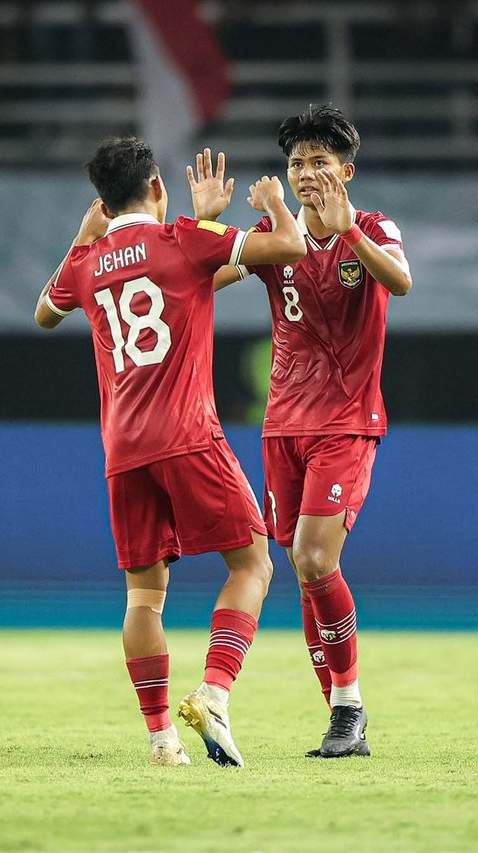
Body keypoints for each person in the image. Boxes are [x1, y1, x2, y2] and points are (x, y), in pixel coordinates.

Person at [34, 138, 306, 768]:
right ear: (157, 187)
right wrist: (269, 204)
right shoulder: (183, 238)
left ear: (102, 202)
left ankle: (161, 739)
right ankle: (214, 692)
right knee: (253, 565)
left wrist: (82, 236)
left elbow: (46, 312)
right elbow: (286, 248)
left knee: (143, 596)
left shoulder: (89, 263)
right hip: (187, 435)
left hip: (122, 449)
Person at [212, 105, 412, 758]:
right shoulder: (278, 236)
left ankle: (349, 703)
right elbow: (206, 278)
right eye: (297, 162)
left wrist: (351, 231)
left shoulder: (374, 227)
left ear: (346, 170)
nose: (306, 173)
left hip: (348, 422)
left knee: (315, 557)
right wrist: (219, 228)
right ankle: (340, 714)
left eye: (320, 161)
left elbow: (401, 282)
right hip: (282, 429)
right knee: (304, 568)